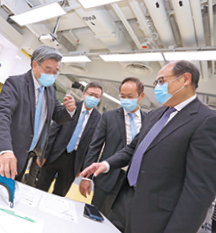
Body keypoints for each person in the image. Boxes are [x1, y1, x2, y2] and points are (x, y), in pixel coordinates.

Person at [81, 60, 216, 233]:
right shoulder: (155, 114)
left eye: (161, 81)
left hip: (156, 215)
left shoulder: (206, 120)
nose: (157, 87)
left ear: (185, 79)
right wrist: (106, 164)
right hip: (125, 199)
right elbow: (134, 148)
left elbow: (199, 190)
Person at [0, 45, 76, 180]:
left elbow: (57, 115)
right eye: (48, 69)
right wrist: (4, 150)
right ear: (35, 64)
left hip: (22, 159)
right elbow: (1, 115)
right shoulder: (15, 84)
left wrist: (69, 110)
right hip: (3, 157)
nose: (52, 75)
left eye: (56, 71)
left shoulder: (50, 90)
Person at [79, 77, 147, 216]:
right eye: (122, 96)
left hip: (134, 182)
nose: (126, 99)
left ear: (141, 96)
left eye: (130, 96)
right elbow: (95, 147)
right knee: (96, 216)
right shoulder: (109, 117)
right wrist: (87, 177)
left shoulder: (149, 120)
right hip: (108, 178)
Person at [35, 82, 102, 196]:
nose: (93, 98)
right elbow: (53, 132)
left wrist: (83, 168)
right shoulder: (70, 107)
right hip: (54, 154)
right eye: (91, 94)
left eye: (96, 96)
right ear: (84, 94)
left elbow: (92, 147)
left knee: (60, 194)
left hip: (74, 161)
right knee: (40, 187)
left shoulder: (100, 119)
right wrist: (44, 155)